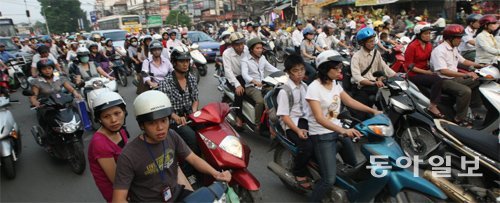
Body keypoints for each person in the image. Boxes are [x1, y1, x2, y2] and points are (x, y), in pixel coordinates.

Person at [112, 90, 231, 202]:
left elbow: (193, 158)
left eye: (164, 120)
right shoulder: (128, 156)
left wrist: (216, 173)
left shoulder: (172, 135)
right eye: (152, 123)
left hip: (175, 194)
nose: (160, 128)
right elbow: (118, 199)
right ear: (142, 125)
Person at [306, 50, 382, 202]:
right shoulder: (314, 88)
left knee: (354, 169)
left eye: (340, 66)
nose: (340, 70)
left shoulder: (335, 84)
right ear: (324, 69)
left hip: (338, 131)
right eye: (337, 68)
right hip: (322, 135)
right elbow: (319, 118)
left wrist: (373, 111)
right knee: (329, 180)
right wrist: (343, 130)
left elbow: (349, 101)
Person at [157, 46, 200, 180]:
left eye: (187, 60)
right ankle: (188, 173)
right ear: (174, 63)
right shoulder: (166, 83)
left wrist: (194, 110)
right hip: (173, 119)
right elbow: (164, 107)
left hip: (190, 116)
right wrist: (175, 117)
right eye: (181, 61)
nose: (185, 64)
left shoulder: (191, 78)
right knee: (192, 139)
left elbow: (195, 99)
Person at [430, 24, 485, 127]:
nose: (461, 40)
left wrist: (479, 65)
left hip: (454, 78)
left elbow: (463, 60)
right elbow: (443, 71)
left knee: (479, 79)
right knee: (465, 91)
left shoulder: (453, 48)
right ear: (450, 38)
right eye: (459, 38)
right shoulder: (439, 51)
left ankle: (473, 110)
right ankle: (459, 118)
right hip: (443, 80)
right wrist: (466, 74)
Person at [276, 54, 313, 189]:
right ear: (288, 73)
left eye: (302, 70)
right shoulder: (285, 91)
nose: (300, 74)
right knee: (307, 146)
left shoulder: (305, 86)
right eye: (295, 71)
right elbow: (284, 116)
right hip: (292, 123)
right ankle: (299, 172)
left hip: (306, 119)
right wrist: (297, 130)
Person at [88, 92, 129, 203]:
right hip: (118, 193)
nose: (114, 120)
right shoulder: (99, 143)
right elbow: (117, 180)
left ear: (124, 112)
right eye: (106, 116)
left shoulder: (121, 130)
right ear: (99, 119)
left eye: (117, 113)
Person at [350, 27, 396, 121]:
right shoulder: (356, 57)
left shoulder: (376, 53)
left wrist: (396, 75)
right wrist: (373, 83)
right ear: (362, 43)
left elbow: (384, 67)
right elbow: (357, 77)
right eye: (370, 41)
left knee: (389, 108)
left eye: (373, 40)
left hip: (377, 86)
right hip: (363, 88)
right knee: (360, 117)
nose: (373, 43)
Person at [404, 23, 445, 118]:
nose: (428, 36)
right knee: (437, 80)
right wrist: (427, 72)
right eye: (426, 33)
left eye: (429, 33)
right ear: (419, 34)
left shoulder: (429, 45)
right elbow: (410, 66)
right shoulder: (412, 46)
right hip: (414, 74)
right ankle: (433, 106)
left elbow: (432, 59)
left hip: (426, 70)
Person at [29, 59, 82, 131]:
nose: (47, 71)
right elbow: (33, 96)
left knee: (74, 111)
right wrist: (35, 102)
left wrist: (76, 94)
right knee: (45, 122)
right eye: (44, 69)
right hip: (46, 106)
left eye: (49, 68)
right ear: (40, 70)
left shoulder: (59, 79)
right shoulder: (37, 82)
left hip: (60, 102)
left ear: (52, 69)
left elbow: (71, 89)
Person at [241, 38, 280, 127]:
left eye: (261, 48)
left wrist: (284, 74)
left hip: (263, 85)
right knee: (260, 102)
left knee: (276, 95)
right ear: (251, 49)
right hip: (251, 87)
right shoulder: (245, 60)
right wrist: (253, 81)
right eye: (257, 48)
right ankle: (257, 123)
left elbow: (271, 68)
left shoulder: (262, 58)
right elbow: (244, 74)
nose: (260, 50)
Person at [223, 32, 249, 128]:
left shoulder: (247, 50)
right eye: (237, 44)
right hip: (233, 78)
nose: (240, 46)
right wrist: (237, 85)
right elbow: (228, 71)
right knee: (240, 93)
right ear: (232, 45)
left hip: (246, 76)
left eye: (242, 43)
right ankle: (239, 117)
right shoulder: (227, 53)